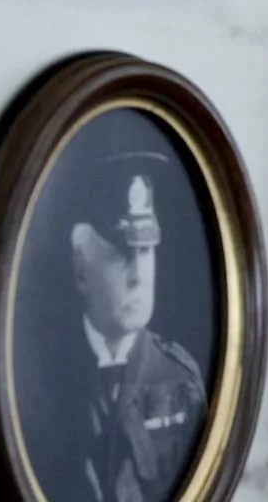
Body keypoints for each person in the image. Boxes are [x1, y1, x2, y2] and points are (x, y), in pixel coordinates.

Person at [32, 143, 207, 502]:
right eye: (121, 254)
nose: (138, 276)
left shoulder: (180, 382)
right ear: (82, 270)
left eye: (145, 252)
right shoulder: (40, 384)